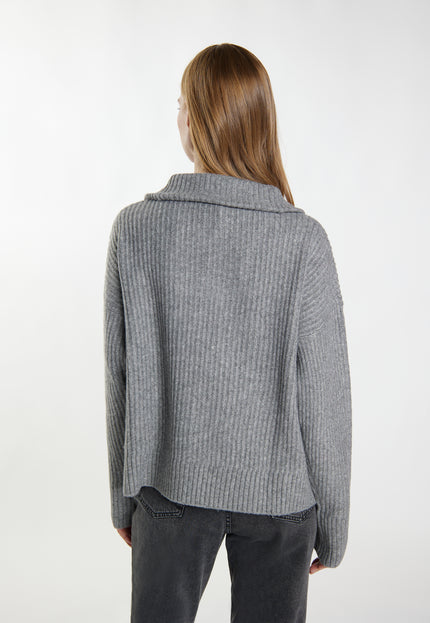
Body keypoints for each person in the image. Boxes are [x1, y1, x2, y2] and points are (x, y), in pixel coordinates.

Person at [103, 43, 352, 623]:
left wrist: (123, 497)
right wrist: (335, 524)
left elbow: (121, 378)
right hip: (281, 499)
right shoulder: (304, 242)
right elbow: (327, 398)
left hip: (168, 487)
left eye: (181, 105)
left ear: (194, 119)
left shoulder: (136, 230)